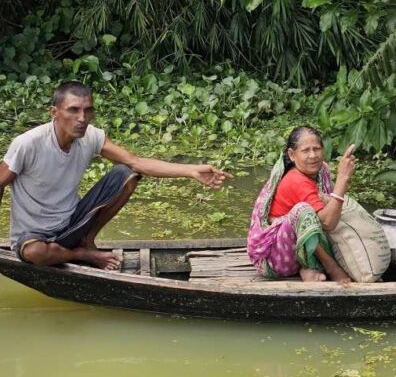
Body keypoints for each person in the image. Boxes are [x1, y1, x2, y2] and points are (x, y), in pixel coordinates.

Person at [0, 82, 230, 270]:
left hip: (71, 223)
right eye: (73, 110)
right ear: (54, 112)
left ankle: (86, 240)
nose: (82, 118)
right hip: (33, 236)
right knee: (35, 252)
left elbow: (136, 162)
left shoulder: (90, 136)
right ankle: (81, 253)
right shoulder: (28, 143)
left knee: (127, 173)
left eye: (88, 110)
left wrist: (191, 171)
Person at [247, 126, 353, 284]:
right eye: (305, 150)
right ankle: (329, 266)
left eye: (317, 149)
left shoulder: (321, 170)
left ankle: (308, 267)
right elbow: (328, 223)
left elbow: (330, 212)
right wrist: (342, 179)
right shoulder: (296, 180)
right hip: (278, 258)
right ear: (292, 155)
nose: (313, 155)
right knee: (303, 212)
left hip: (300, 245)